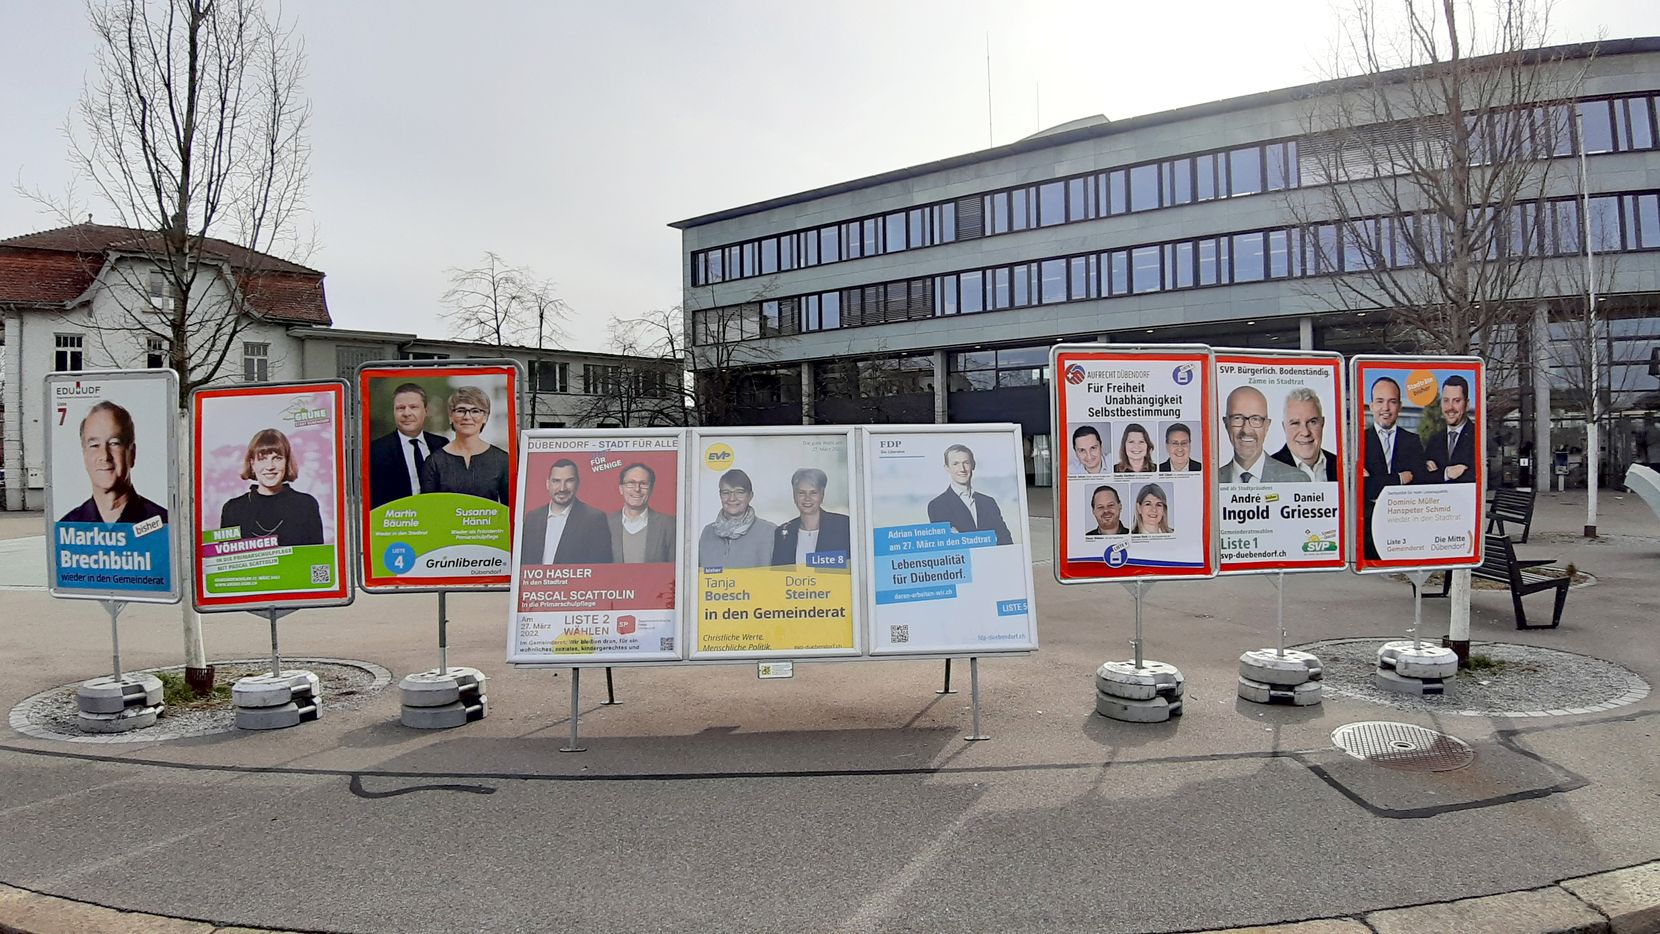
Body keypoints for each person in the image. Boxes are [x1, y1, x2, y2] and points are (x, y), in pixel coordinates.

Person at [59, 401, 168, 525]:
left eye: (114, 443)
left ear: (132, 453)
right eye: (94, 445)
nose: (105, 456)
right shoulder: (68, 526)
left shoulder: (163, 523)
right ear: (85, 455)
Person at [218, 428, 324, 546]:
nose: (270, 466)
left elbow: (316, 558)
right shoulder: (233, 509)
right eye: (262, 459)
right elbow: (227, 560)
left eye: (277, 458)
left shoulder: (306, 505)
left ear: (286, 461)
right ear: (252, 464)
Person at [1362, 376, 1427, 559]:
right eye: (1380, 401)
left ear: (1399, 406)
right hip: (1369, 526)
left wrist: (1375, 481)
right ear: (1371, 405)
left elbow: (1419, 483)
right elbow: (1363, 488)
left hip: (1404, 523)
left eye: (1392, 402)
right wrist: (1399, 479)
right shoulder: (1358, 442)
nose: (1386, 408)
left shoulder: (1412, 441)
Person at [419, 386, 510, 504]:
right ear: (451, 416)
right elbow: (428, 508)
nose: (467, 417)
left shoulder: (502, 459)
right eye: (461, 410)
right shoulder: (434, 462)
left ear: (485, 417)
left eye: (475, 411)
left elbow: (509, 509)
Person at [367, 382, 450, 509]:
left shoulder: (441, 445)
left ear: (425, 411)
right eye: (400, 408)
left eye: (413, 407)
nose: (407, 413)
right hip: (398, 522)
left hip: (436, 519)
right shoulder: (376, 450)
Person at [521, 459, 613, 564]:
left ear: (577, 483)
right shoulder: (532, 518)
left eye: (569, 481)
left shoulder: (594, 519)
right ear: (547, 484)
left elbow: (600, 567)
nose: (562, 488)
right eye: (556, 481)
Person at [927, 444, 1013, 544]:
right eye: (955, 464)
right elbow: (946, 545)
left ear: (973, 465)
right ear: (947, 468)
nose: (962, 469)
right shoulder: (937, 505)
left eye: (966, 463)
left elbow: (1005, 538)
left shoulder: (989, 502)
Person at [1219, 386, 1304, 483]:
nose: (1246, 430)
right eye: (1237, 418)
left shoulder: (1296, 480)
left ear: (1267, 425)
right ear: (1226, 424)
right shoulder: (1211, 480)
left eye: (1256, 419)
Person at [698, 468, 777, 569]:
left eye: (739, 492)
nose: (732, 498)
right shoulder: (707, 533)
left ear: (750, 496)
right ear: (720, 495)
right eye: (726, 492)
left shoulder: (770, 532)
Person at [771, 467, 852, 566]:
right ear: (794, 495)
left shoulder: (843, 525)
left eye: (813, 493)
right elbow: (779, 574)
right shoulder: (783, 532)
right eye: (801, 493)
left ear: (822, 494)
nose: (807, 498)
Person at [606, 463, 676, 564]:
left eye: (643, 484)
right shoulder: (604, 524)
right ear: (621, 489)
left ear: (651, 489)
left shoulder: (668, 525)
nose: (637, 489)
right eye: (631, 483)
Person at [1270, 387, 1337, 482]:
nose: (1305, 432)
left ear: (1322, 423)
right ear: (1284, 427)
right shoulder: (1266, 472)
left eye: (1312, 422)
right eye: (1295, 423)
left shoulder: (1343, 467)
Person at [1424, 375, 1477, 484]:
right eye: (1446, 401)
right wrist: (1446, 473)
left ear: (1467, 404)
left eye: (1456, 401)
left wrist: (1437, 474)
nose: (1450, 407)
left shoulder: (1478, 436)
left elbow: (1478, 477)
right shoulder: (1434, 440)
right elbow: (1424, 478)